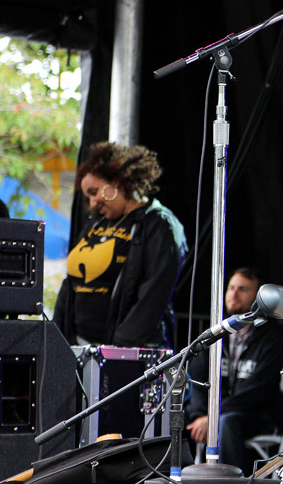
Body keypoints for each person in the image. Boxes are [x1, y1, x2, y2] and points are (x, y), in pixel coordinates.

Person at [53, 142, 188, 347]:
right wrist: (57, 341)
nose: (92, 203)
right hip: (79, 349)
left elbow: (153, 296)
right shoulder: (95, 225)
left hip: (125, 355)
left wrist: (119, 349)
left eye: (94, 191)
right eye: (87, 197)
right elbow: (70, 285)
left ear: (116, 181)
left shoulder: (159, 225)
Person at [185, 267, 283, 475]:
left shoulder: (272, 338)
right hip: (215, 414)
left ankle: (230, 483)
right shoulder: (215, 333)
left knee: (226, 422)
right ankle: (182, 480)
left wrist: (213, 416)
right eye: (231, 287)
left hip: (257, 415)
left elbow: (256, 390)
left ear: (258, 297)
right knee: (180, 417)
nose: (233, 294)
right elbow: (195, 377)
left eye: (243, 289)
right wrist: (202, 415)